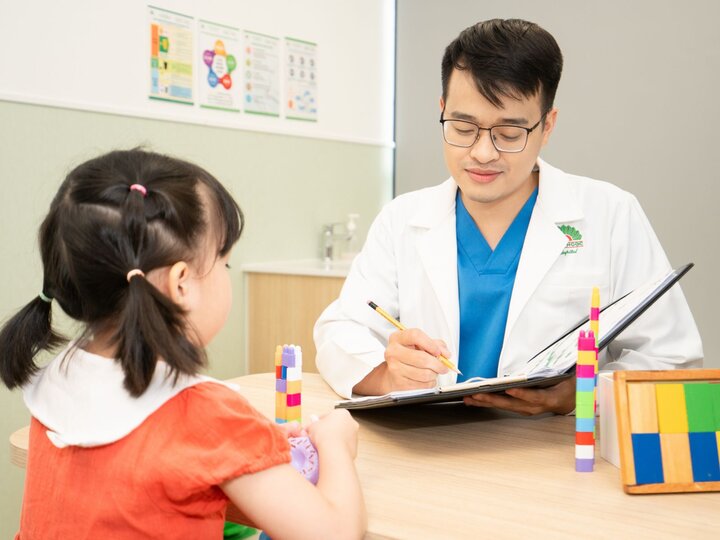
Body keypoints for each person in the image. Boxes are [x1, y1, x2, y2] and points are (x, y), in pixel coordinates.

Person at [314, 18, 703, 414]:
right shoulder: (402, 219)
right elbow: (340, 330)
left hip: (553, 445)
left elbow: (671, 356)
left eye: (509, 134)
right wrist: (389, 374)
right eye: (463, 127)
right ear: (442, 110)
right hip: (426, 440)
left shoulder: (611, 214)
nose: (482, 153)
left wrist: (581, 393)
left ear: (547, 126)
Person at [0, 149, 366, 540]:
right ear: (181, 283)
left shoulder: (60, 377)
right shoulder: (205, 415)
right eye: (224, 262)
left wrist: (257, 442)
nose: (226, 273)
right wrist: (336, 444)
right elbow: (336, 533)